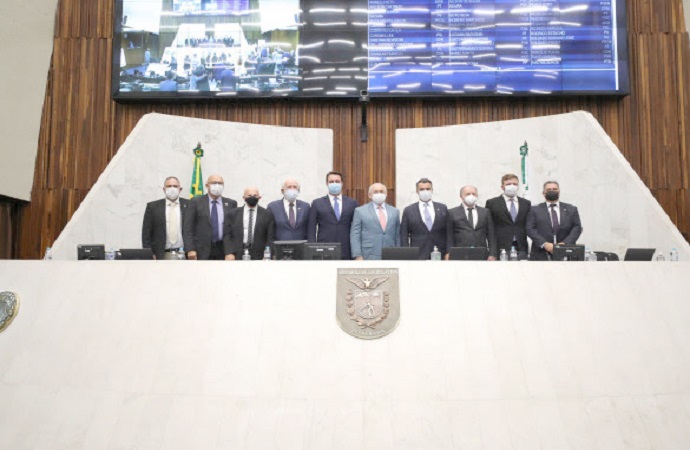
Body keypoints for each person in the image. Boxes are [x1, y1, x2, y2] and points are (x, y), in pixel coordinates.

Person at [182, 175, 237, 260]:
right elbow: (188, 228)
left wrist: (231, 251)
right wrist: (190, 249)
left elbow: (233, 230)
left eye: (220, 183)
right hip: (201, 249)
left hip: (223, 250)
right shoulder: (196, 202)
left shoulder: (231, 203)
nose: (217, 185)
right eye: (214, 183)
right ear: (207, 185)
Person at [526, 181, 583, 261]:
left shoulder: (571, 209)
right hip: (540, 253)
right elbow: (530, 229)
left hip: (566, 253)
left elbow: (577, 228)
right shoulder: (534, 209)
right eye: (549, 189)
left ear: (559, 192)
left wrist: (564, 244)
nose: (552, 191)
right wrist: (544, 244)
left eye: (555, 189)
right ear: (543, 193)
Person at [307, 171, 358, 260]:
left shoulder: (352, 203)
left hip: (347, 250)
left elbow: (357, 228)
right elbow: (311, 229)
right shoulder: (317, 203)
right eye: (331, 182)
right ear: (327, 183)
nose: (334, 184)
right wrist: (312, 250)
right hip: (324, 249)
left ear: (342, 183)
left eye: (337, 181)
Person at [485, 173, 532, 259]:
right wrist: (492, 251)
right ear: (502, 187)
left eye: (515, 184)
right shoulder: (492, 203)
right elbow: (489, 227)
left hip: (521, 246)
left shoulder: (526, 203)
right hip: (500, 246)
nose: (512, 186)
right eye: (508, 184)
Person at [400, 178, 448, 259]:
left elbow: (448, 232)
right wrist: (406, 253)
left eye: (428, 189)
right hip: (417, 254)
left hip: (439, 254)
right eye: (422, 189)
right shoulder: (409, 210)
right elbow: (404, 235)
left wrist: (448, 252)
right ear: (417, 191)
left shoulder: (442, 208)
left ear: (432, 190)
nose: (425, 191)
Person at [141, 176, 189, 260]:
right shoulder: (152, 207)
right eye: (169, 186)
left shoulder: (189, 205)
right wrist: (149, 254)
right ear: (164, 189)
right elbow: (146, 234)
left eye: (175, 186)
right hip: (161, 255)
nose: (172, 188)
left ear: (180, 189)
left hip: (184, 254)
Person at [351, 183, 401, 260]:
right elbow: (355, 235)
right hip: (368, 255)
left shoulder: (394, 211)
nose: (379, 194)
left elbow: (397, 235)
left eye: (382, 191)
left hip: (390, 254)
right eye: (376, 192)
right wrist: (357, 255)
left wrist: (398, 254)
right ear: (369, 195)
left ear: (386, 194)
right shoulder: (360, 211)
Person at [446, 185, 497, 260]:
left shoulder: (485, 212)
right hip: (459, 253)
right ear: (461, 196)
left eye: (474, 194)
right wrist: (448, 252)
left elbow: (491, 235)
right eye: (468, 194)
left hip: (481, 253)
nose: (471, 196)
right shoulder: (452, 212)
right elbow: (449, 235)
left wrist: (492, 254)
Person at [224, 187, 275, 260]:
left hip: (260, 254)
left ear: (259, 197)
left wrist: (267, 254)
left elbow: (270, 237)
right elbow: (227, 234)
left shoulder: (267, 214)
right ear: (244, 197)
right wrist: (229, 252)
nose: (252, 197)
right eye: (249, 195)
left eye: (255, 195)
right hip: (236, 253)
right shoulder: (232, 214)